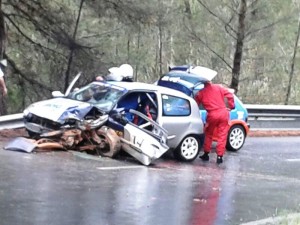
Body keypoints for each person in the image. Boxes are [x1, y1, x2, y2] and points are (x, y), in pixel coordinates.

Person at [194, 81, 235, 164]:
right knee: (222, 136)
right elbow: (230, 95)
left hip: (212, 115)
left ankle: (206, 154)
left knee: (209, 134)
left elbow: (195, 104)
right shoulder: (218, 87)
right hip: (224, 113)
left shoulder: (201, 93)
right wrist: (231, 106)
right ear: (210, 81)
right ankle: (219, 157)